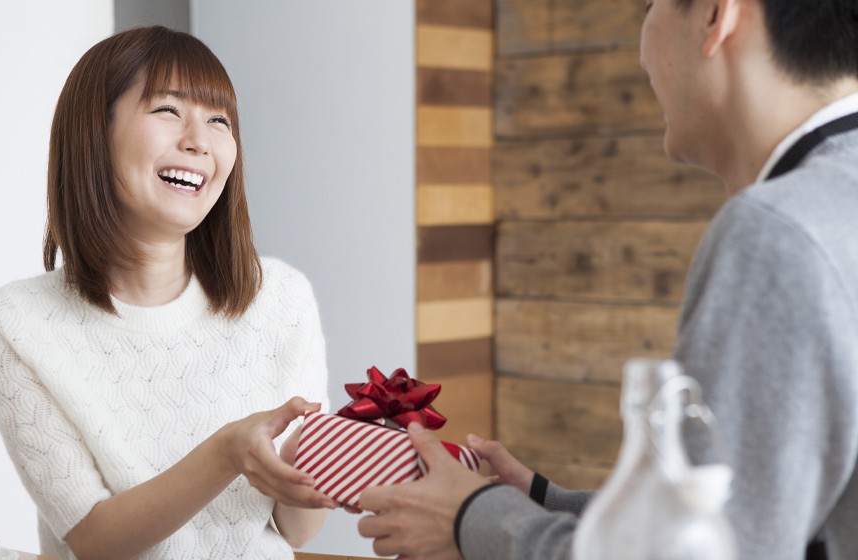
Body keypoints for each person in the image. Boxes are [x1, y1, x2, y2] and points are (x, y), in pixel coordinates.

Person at [356, 0, 858, 558]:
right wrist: (543, 503)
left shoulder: (778, 232)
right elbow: (758, 510)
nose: (642, 43)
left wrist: (471, 519)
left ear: (716, 15)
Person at [0, 26, 337, 560]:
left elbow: (299, 532)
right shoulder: (18, 323)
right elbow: (96, 542)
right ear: (94, 133)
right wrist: (226, 453)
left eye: (220, 121)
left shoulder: (280, 298)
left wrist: (340, 447)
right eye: (168, 110)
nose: (200, 140)